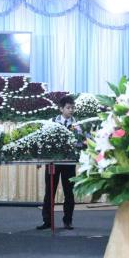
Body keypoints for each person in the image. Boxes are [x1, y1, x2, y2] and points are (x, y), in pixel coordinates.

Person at [37, 95, 82, 231]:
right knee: (49, 192)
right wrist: (40, 159)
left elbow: (81, 141)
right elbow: (42, 139)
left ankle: (68, 221)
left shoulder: (77, 124)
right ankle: (47, 221)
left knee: (69, 192)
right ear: (61, 109)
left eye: (72, 108)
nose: (71, 110)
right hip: (53, 162)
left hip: (69, 163)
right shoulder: (51, 122)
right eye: (68, 108)